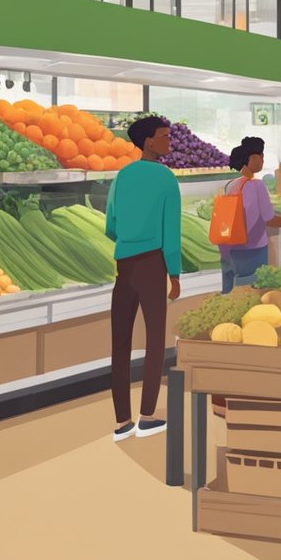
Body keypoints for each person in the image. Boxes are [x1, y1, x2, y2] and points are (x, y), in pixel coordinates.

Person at [104, 116, 180, 442]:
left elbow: (111, 225)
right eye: (164, 137)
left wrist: (130, 236)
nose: (169, 142)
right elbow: (171, 233)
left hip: (124, 266)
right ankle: (147, 416)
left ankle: (122, 421)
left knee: (119, 344)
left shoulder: (122, 176)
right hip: (153, 265)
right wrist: (174, 275)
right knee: (154, 342)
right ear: (149, 141)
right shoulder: (166, 179)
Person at [218, 137, 281, 294]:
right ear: (252, 158)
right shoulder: (257, 185)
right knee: (255, 294)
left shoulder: (231, 184)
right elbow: (271, 220)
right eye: (261, 156)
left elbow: (244, 212)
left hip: (230, 248)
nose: (262, 160)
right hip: (252, 250)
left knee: (231, 294)